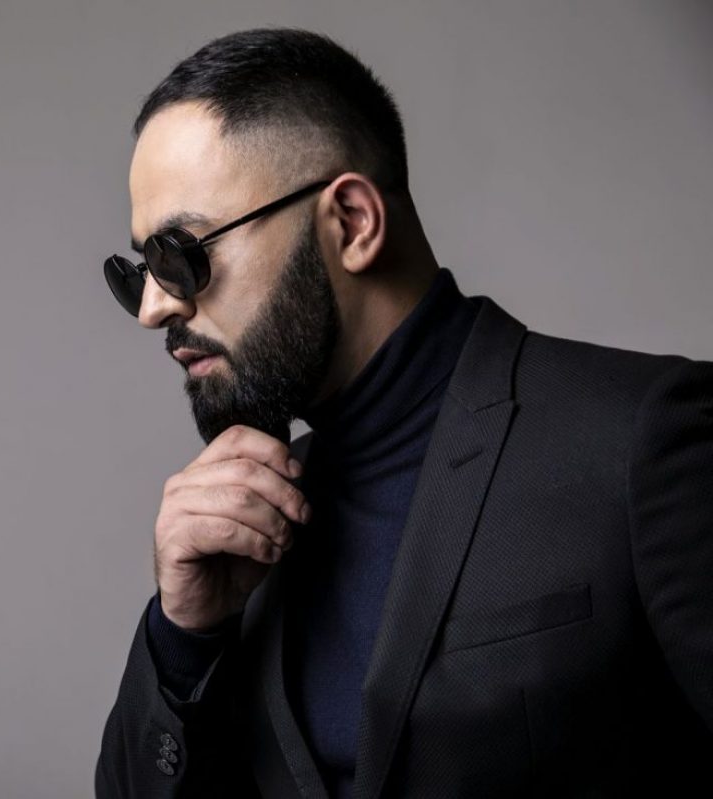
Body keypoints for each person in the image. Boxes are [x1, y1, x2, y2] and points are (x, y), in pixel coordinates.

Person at [93, 27, 713, 798]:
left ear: (353, 222)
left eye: (181, 255)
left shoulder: (642, 439)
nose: (154, 308)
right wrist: (185, 635)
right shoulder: (245, 525)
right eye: (139, 271)